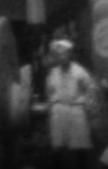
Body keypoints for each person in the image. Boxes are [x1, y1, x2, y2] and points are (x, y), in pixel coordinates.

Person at [45, 39, 94, 169]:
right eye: (59, 54)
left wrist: (88, 105)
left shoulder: (79, 71)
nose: (62, 57)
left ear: (70, 55)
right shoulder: (53, 72)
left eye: (65, 54)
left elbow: (90, 88)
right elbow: (50, 92)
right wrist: (51, 108)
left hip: (76, 109)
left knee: (80, 147)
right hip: (59, 110)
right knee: (57, 148)